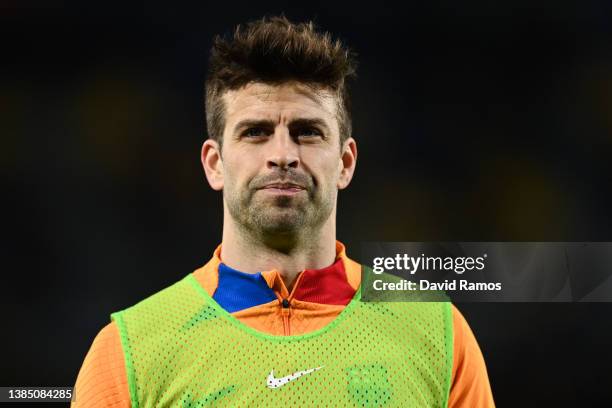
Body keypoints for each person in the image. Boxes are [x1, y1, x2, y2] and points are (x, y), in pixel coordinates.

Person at [73, 15, 495, 407]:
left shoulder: (436, 332)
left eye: (307, 132)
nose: (282, 154)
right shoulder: (130, 353)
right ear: (214, 163)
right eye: (255, 132)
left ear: (345, 163)